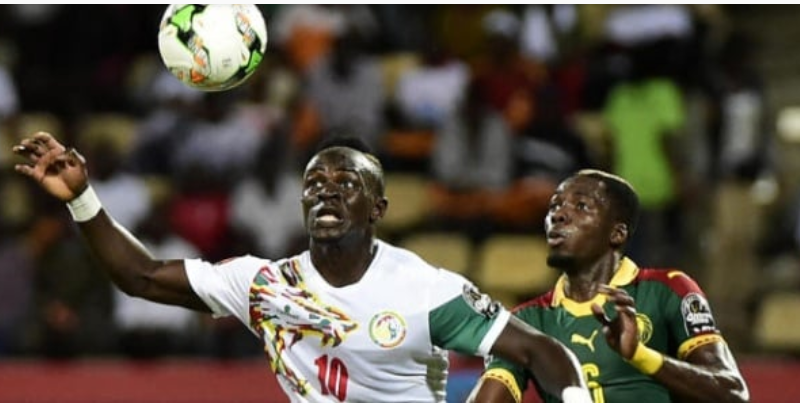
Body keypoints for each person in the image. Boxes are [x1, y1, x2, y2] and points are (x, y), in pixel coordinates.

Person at [12, 132, 592, 403]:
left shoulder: (425, 289)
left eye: (347, 182)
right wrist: (81, 199)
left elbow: (543, 353)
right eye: (314, 182)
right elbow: (139, 276)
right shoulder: (264, 285)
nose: (327, 192)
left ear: (379, 208)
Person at [470, 169, 749, 403]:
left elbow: (733, 393)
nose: (558, 215)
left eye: (581, 206)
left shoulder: (667, 290)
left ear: (617, 233)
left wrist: (640, 355)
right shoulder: (526, 322)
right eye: (555, 205)